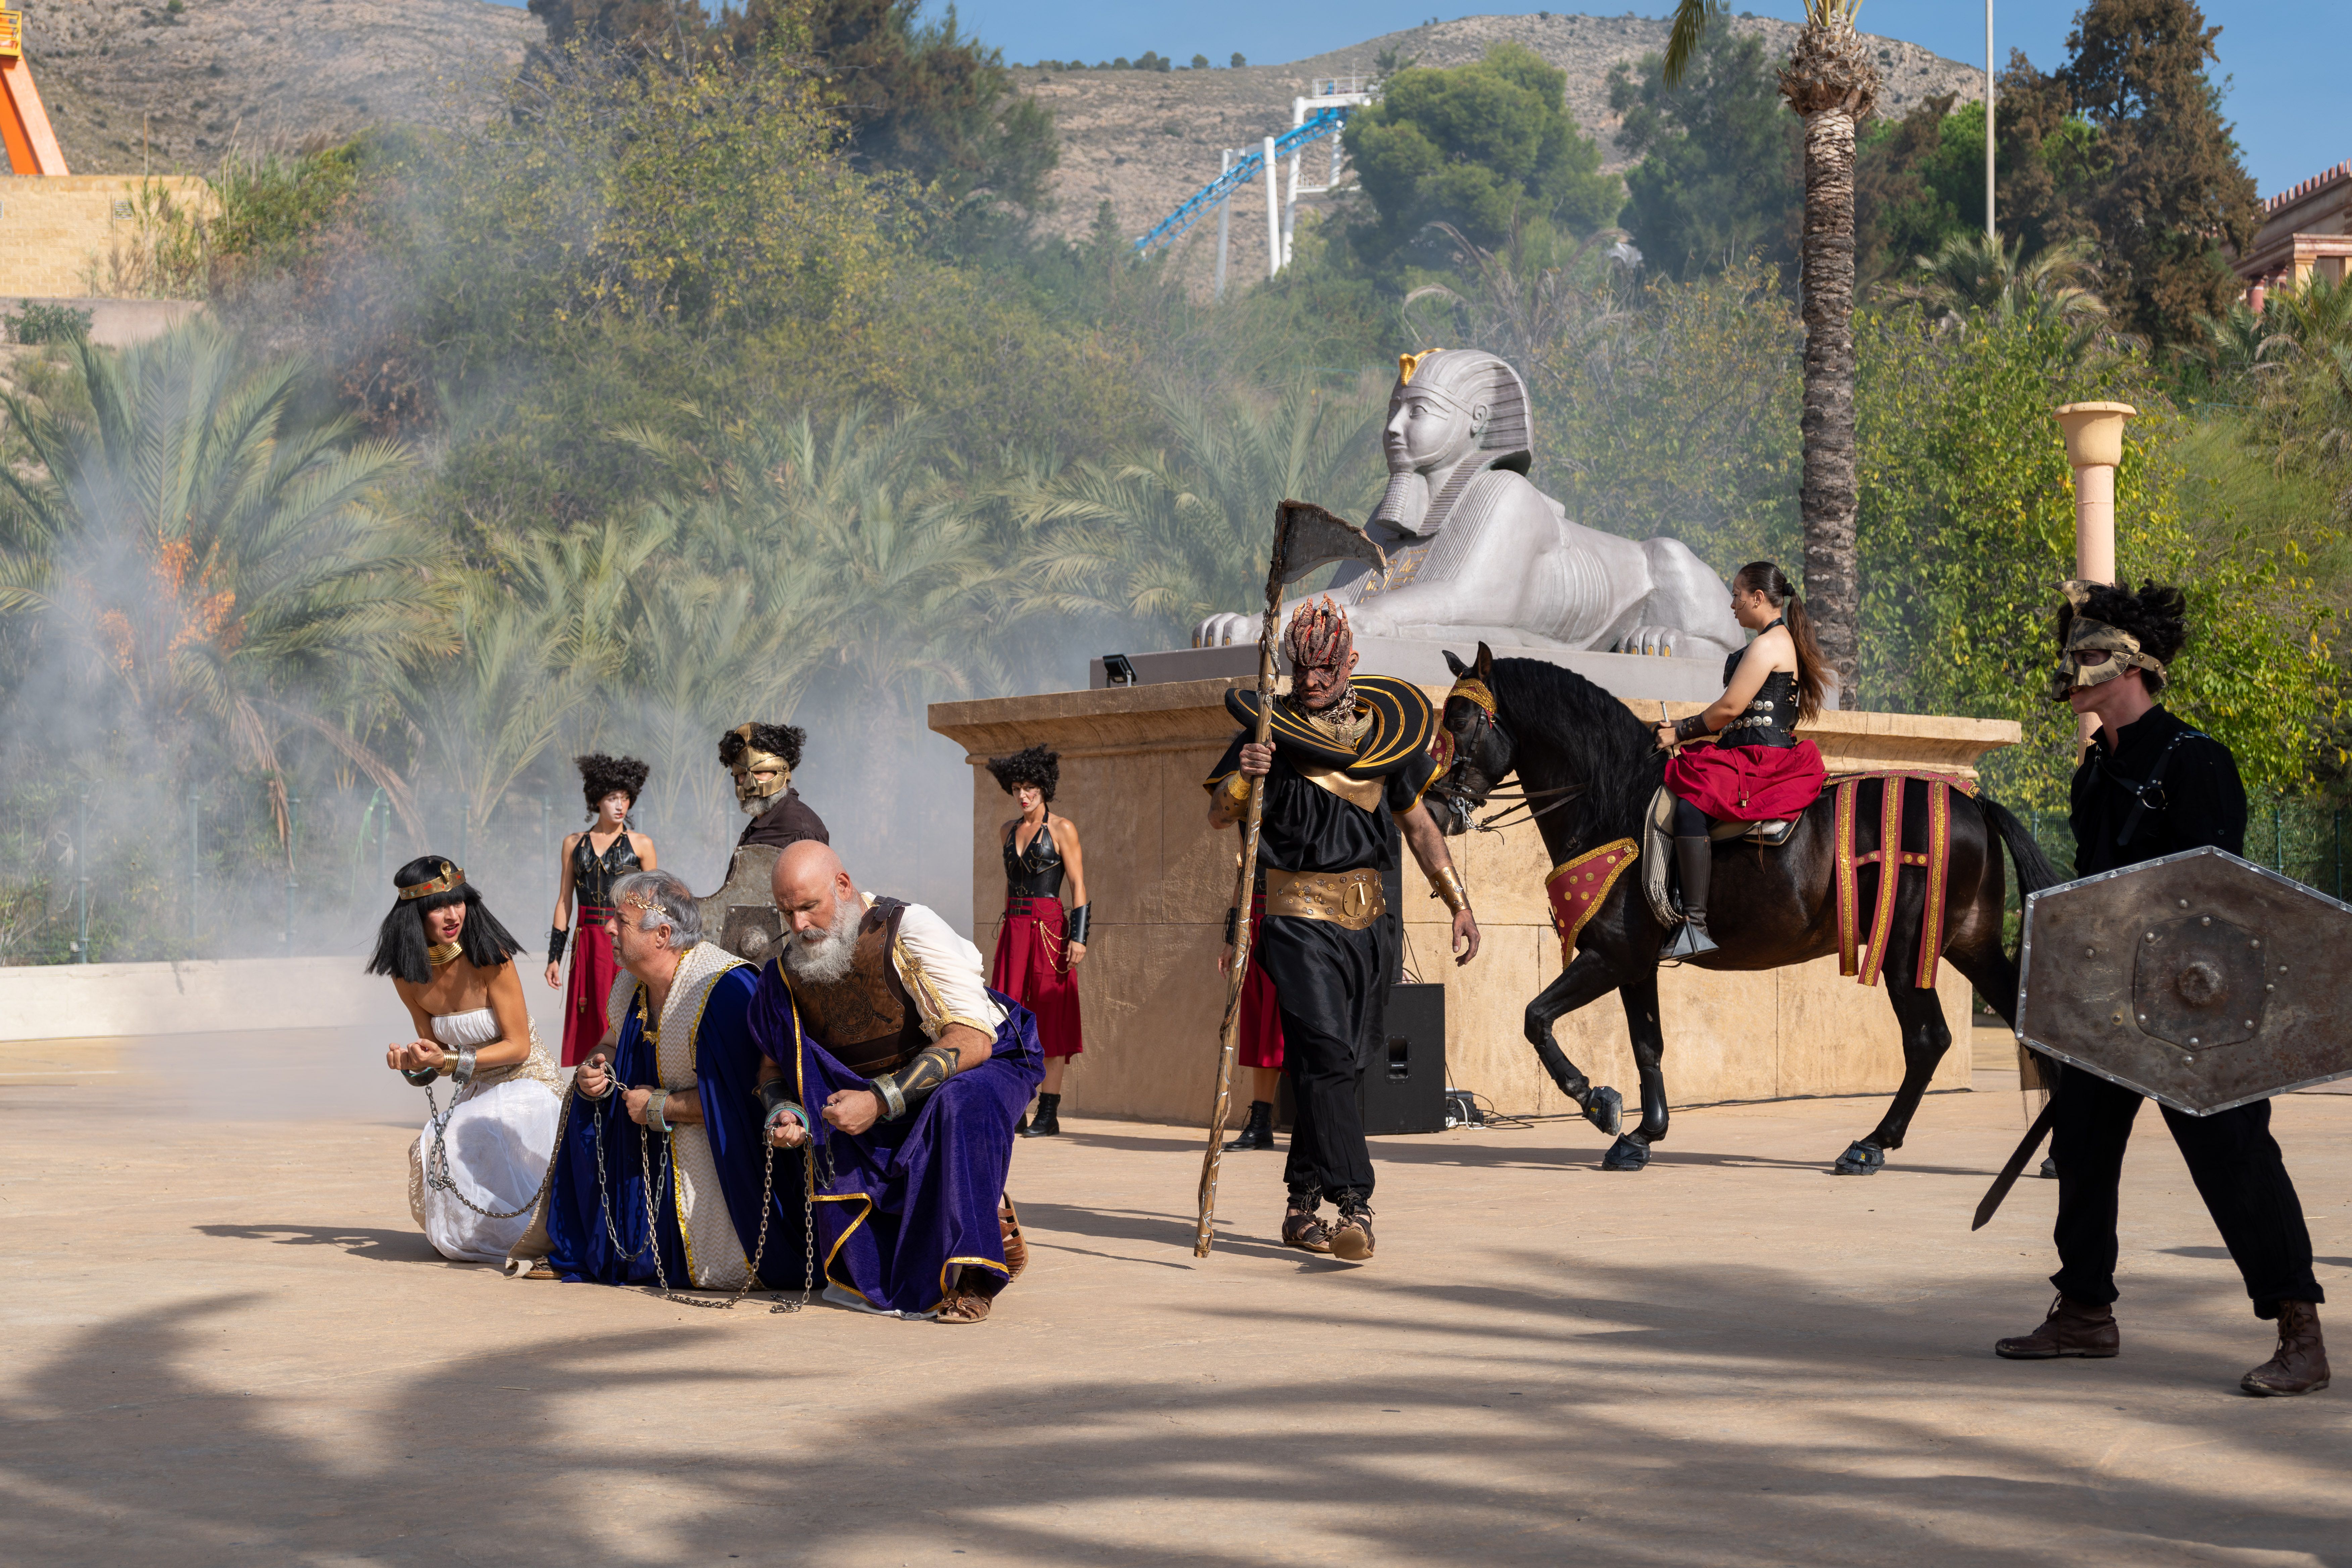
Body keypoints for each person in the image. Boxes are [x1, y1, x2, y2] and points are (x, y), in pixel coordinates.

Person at [1994, 580, 2329, 1397]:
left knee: (2236, 1157)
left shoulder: (2196, 760)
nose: (2073, 670)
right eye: (2071, 656)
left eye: (2088, 654)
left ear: (2132, 665)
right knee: (2082, 1148)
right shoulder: (2094, 770)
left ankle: (2300, 1331)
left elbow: (2217, 898)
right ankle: (2084, 1310)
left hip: (2195, 1006)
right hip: (2113, 1004)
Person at [1205, 597, 1480, 1263]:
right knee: (1327, 1053)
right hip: (1296, 919)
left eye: (1325, 667)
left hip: (1369, 924)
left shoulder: (1388, 737)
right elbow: (1219, 814)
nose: (1311, 679)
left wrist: (1458, 902)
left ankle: (1301, 1205)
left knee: (1342, 1064)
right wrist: (1246, 780)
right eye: (1302, 667)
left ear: (1351, 662)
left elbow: (1419, 827)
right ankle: (1355, 1203)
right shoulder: (1266, 734)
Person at [749, 840, 1040, 1323]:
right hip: (874, 1094)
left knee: (958, 1104)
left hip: (980, 1066)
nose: (799, 925)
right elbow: (771, 1068)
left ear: (842, 886)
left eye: (809, 907)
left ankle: (975, 1277)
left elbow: (971, 1040)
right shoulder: (784, 972)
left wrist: (878, 1102)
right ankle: (966, 1213)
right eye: (787, 912)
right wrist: (786, 1112)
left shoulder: (911, 929)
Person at [519, 869, 808, 1291]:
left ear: (662, 935)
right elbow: (611, 1041)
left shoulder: (724, 989)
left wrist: (661, 1107)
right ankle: (592, 1238)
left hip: (722, 1160)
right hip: (645, 1142)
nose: (608, 927)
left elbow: (743, 1101)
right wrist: (597, 1068)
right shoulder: (630, 981)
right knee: (580, 1099)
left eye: (622, 921)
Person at [369, 857, 564, 1266]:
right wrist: (410, 1062)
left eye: (458, 901)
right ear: (415, 914)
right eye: (440, 906)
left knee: (464, 1135)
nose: (453, 913)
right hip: (478, 1088)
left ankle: (544, 1236)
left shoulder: (491, 956)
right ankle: (488, 1238)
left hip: (528, 1080)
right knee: (429, 1147)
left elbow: (519, 1047)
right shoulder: (406, 975)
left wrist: (447, 1059)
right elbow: (432, 1057)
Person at [1650, 561, 1831, 960]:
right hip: (1747, 751)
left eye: (1736, 594)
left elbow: (1730, 708)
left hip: (1759, 759)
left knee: (1692, 806)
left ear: (1759, 598)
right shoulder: (1775, 640)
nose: (1732, 604)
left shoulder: (1770, 643)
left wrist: (1678, 731)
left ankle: (1695, 924)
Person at [984, 744, 1088, 1138]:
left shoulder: (1064, 829)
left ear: (1044, 787)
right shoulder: (1006, 831)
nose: (1023, 795)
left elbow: (1079, 884)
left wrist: (1078, 938)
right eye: (1017, 788)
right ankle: (1017, 1108)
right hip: (1014, 929)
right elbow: (1010, 886)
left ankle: (1049, 1112)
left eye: (1030, 787)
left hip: (1050, 930)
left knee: (1052, 1018)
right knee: (1008, 1018)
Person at [544, 753, 655, 1067]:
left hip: (625, 938)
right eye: (612, 798)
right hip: (587, 945)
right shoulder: (573, 844)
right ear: (597, 801)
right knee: (590, 1016)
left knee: (624, 1010)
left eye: (626, 798)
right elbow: (565, 901)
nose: (621, 805)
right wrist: (555, 957)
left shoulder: (643, 844)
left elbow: (655, 903)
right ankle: (591, 1087)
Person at [1217, 859, 1285, 1153]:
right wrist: (1233, 940)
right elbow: (1243, 881)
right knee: (1261, 1030)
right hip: (1255, 927)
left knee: (1287, 1030)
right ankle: (1261, 1124)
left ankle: (1318, 1121)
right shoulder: (1252, 820)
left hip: (1292, 923)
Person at [722, 722, 829, 851]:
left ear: (782, 772)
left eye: (760, 772)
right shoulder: (761, 823)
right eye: (742, 774)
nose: (749, 785)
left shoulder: (801, 829)